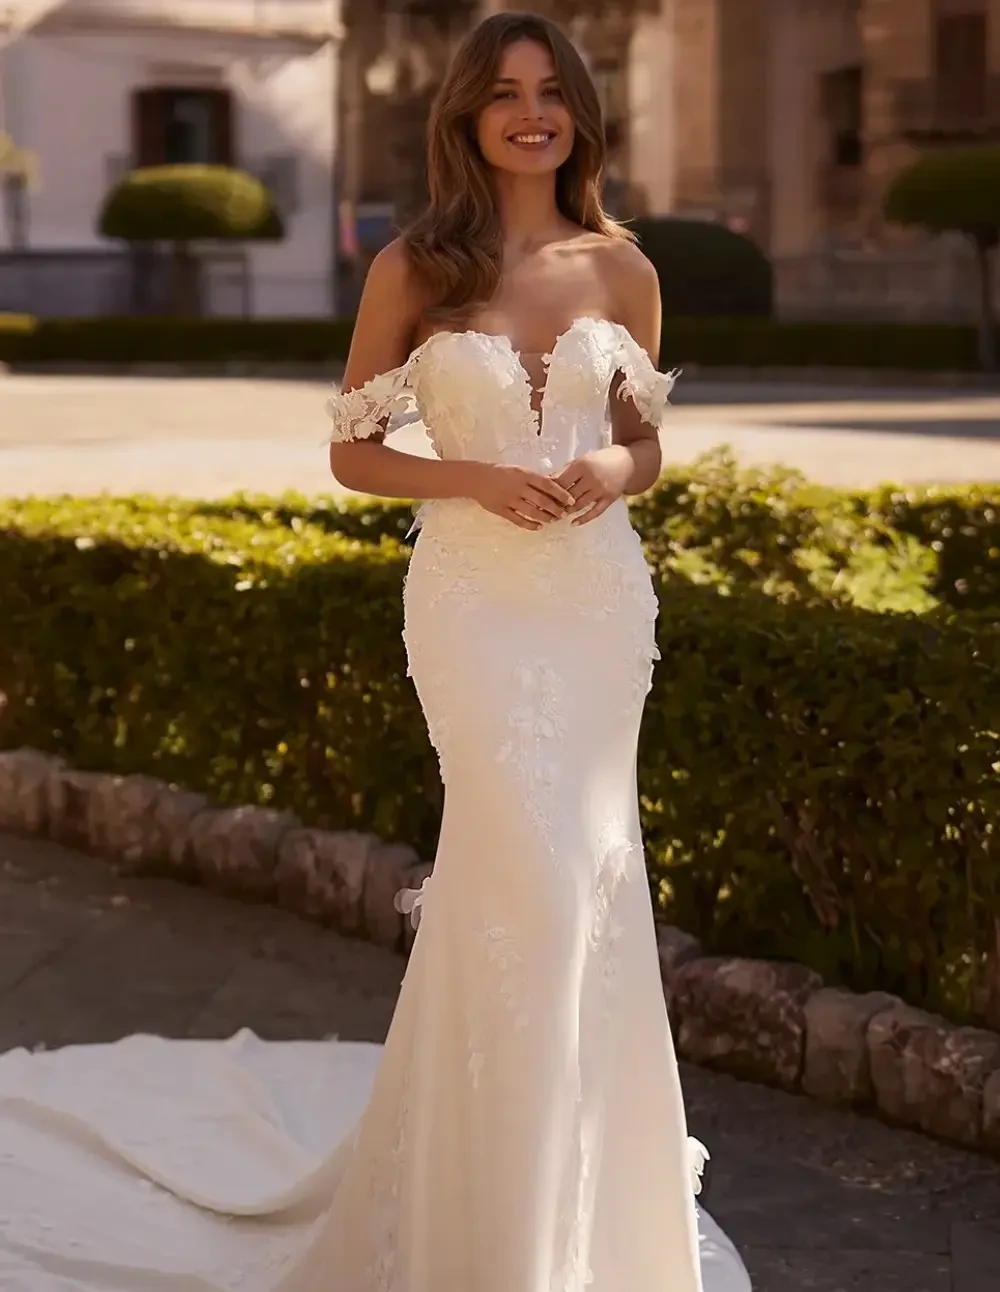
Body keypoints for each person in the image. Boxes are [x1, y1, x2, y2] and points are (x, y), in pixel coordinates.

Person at [0, 12, 751, 1292]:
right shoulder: (417, 262)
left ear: (579, 111)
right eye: (505, 92)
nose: (532, 112)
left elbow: (647, 443)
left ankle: (572, 1200)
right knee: (517, 873)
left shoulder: (622, 266)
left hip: (593, 606)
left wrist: (606, 469)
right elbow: (351, 452)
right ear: (463, 114)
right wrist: (472, 475)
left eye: (552, 91)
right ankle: (477, 1217)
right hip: (472, 604)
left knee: (588, 879)